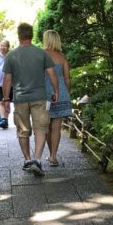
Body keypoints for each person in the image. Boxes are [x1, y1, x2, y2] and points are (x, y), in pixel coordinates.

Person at [0, 22, 57, 175]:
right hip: (39, 97)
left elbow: (7, 79)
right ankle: (37, 160)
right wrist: (56, 91)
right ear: (31, 35)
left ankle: (27, 159)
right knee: (41, 128)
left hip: (20, 99)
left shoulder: (11, 55)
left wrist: (6, 99)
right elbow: (52, 74)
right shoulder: (42, 53)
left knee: (23, 131)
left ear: (19, 36)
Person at [42, 30, 72, 166]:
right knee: (56, 127)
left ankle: (50, 154)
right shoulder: (62, 57)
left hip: (46, 93)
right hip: (61, 93)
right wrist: (67, 93)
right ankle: (53, 156)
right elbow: (67, 78)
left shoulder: (42, 55)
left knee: (47, 126)